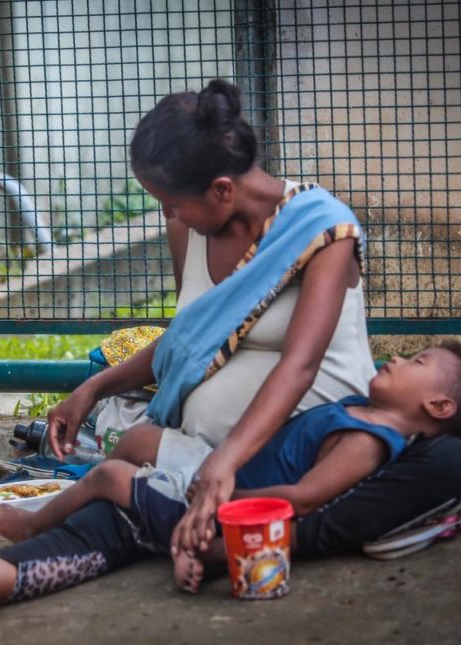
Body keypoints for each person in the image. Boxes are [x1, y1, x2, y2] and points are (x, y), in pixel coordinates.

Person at [0, 341, 461, 639]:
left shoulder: (374, 442)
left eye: (415, 363)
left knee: (109, 490)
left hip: (223, 499)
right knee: (129, 457)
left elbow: (303, 500)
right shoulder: (359, 401)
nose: (400, 358)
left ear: (437, 404)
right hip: (213, 467)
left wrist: (218, 526)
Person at [46, 79, 376, 556]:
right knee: (121, 466)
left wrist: (225, 462)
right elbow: (190, 339)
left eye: (173, 202)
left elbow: (299, 366)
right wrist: (93, 388)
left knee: (116, 495)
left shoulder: (323, 229)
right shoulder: (190, 227)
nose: (167, 213)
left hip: (300, 451)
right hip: (206, 451)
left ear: (222, 190)